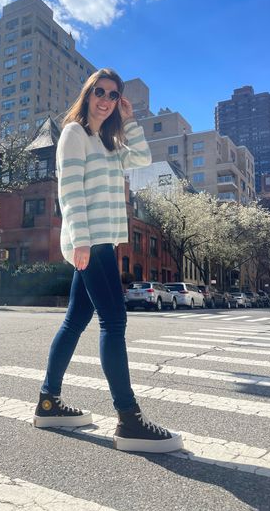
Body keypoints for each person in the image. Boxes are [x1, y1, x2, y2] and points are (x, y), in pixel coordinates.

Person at [33, 68, 183, 453]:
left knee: (75, 320)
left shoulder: (106, 142)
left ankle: (48, 402)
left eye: (113, 95)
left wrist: (130, 122)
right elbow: (69, 191)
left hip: (103, 241)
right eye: (99, 91)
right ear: (87, 94)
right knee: (114, 322)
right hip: (91, 242)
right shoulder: (74, 134)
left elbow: (143, 157)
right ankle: (129, 420)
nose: (105, 99)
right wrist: (80, 241)